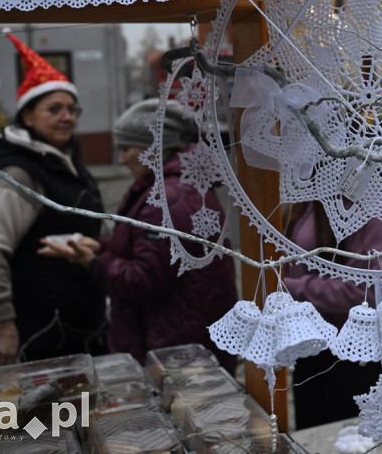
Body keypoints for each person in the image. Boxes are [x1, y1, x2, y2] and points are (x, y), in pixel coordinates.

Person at [38, 99, 240, 371]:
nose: (120, 159)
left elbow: (144, 279)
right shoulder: (174, 186)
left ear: (154, 149)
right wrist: (99, 245)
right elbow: (151, 246)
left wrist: (93, 262)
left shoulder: (168, 197)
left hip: (173, 349)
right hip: (181, 336)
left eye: (126, 149)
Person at [0, 33, 106, 365]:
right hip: (43, 332)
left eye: (72, 109)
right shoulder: (19, 173)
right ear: (27, 116)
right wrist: (3, 325)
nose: (68, 117)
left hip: (79, 324)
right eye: (55, 109)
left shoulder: (65, 160)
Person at [282, 200, 382, 429]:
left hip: (357, 354)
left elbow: (366, 290)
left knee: (349, 438)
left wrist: (290, 288)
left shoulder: (374, 208)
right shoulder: (312, 197)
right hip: (313, 342)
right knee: (314, 435)